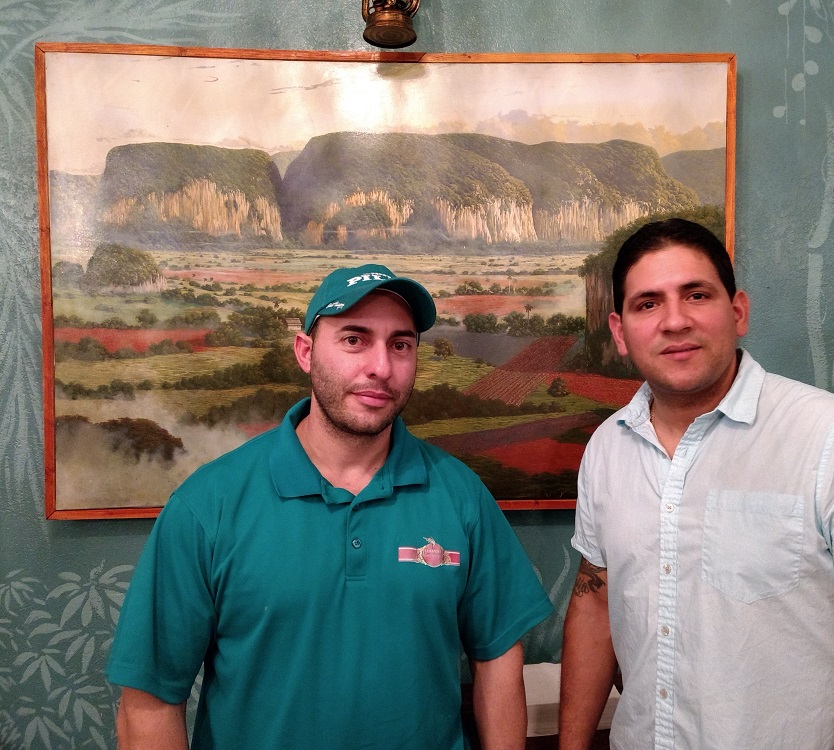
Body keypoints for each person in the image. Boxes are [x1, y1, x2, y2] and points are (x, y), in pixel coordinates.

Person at [107, 263, 554, 750]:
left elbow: (499, 664)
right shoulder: (207, 506)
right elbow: (148, 701)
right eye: (354, 340)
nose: (380, 367)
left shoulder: (461, 495)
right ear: (306, 352)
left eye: (400, 344)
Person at [558, 220, 834, 750]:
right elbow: (595, 602)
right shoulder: (606, 449)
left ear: (738, 312)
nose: (675, 321)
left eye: (696, 295)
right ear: (619, 332)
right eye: (648, 304)